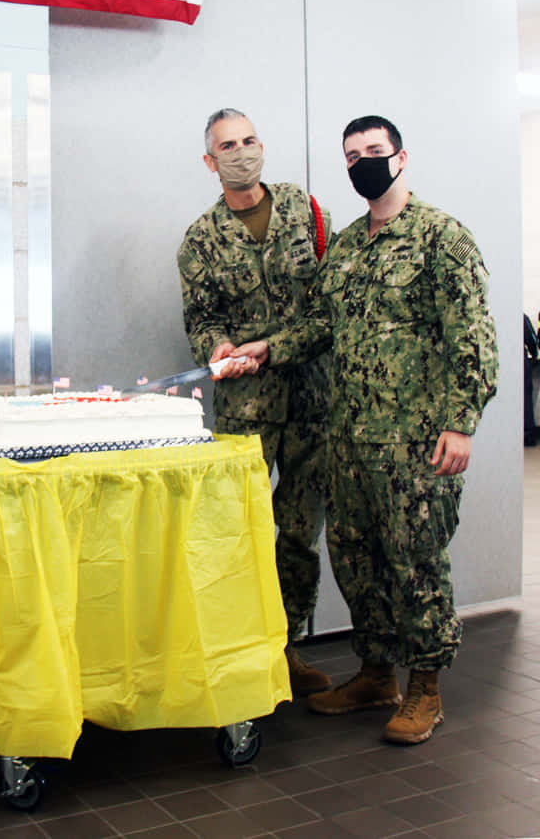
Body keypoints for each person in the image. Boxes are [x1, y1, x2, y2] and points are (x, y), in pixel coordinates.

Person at [226, 115, 499, 743]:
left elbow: (475, 338)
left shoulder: (440, 238)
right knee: (354, 557)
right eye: (352, 156)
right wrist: (266, 348)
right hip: (347, 440)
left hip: (415, 442)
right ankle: (377, 675)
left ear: (401, 158)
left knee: (415, 563)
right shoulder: (345, 245)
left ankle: (425, 690)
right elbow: (319, 324)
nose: (363, 164)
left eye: (374, 152)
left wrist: (461, 424)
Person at [177, 108, 333, 695]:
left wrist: (273, 347)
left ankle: (287, 649)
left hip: (313, 400)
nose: (240, 152)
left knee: (298, 533)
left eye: (248, 141)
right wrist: (220, 347)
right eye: (227, 145)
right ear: (210, 161)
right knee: (235, 530)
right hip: (246, 411)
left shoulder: (307, 212)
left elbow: (328, 309)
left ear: (261, 146)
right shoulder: (200, 240)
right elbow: (201, 319)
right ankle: (236, 652)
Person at [524, 313, 538, 446]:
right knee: (525, 400)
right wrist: (534, 354)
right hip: (521, 363)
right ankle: (528, 435)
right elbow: (532, 341)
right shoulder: (522, 317)